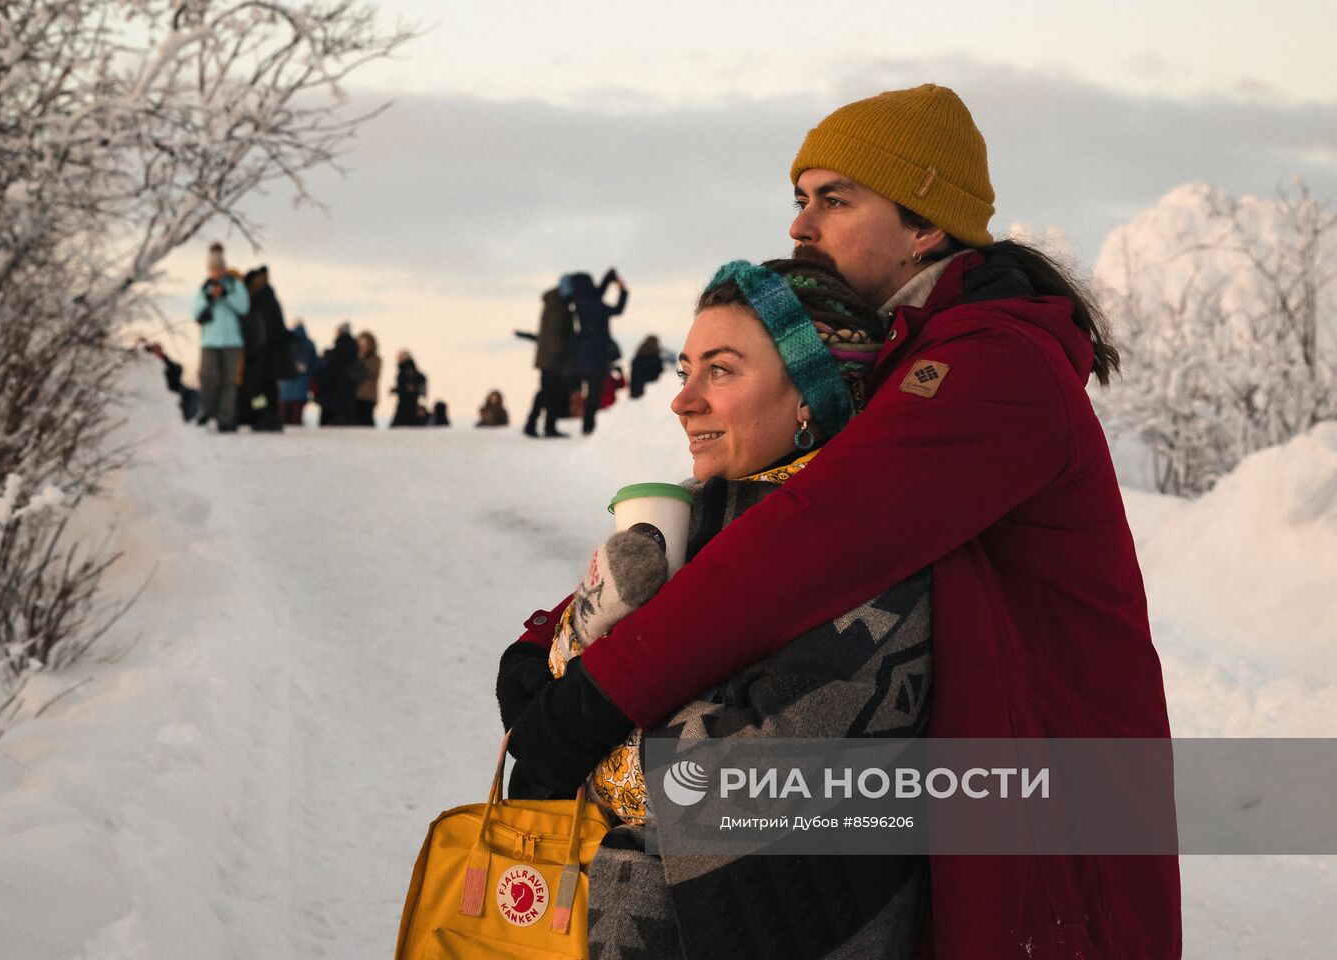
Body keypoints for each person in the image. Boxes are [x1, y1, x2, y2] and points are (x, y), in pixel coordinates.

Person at [501, 84, 1179, 958]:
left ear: (925, 226)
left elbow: (808, 540)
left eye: (835, 198)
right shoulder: (900, 358)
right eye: (799, 197)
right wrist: (553, 641)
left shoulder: (994, 367)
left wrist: (595, 700)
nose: (800, 226)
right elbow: (747, 517)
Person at [503, 258, 928, 959]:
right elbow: (531, 685)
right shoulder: (687, 516)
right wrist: (588, 626)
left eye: (722, 371)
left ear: (809, 398)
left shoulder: (867, 547)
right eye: (684, 370)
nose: (683, 400)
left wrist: (577, 719)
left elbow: (737, 781)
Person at [191, 242, 249, 433]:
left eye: (219, 268)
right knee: (207, 376)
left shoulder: (235, 284)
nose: (216, 272)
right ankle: (206, 412)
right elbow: (195, 312)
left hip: (232, 341)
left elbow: (244, 307)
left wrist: (225, 295)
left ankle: (226, 418)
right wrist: (209, 299)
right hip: (209, 341)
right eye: (213, 269)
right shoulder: (204, 288)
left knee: (228, 381)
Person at [565, 268, 628, 435]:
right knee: (595, 392)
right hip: (597, 354)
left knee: (592, 390)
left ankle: (588, 425)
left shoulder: (580, 301)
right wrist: (623, 290)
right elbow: (617, 309)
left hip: (585, 353)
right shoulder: (593, 303)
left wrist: (609, 277)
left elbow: (598, 291)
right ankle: (588, 427)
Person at [517, 283, 578, 438]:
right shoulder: (560, 307)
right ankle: (546, 426)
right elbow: (556, 334)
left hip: (547, 358)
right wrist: (560, 357)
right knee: (552, 393)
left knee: (546, 392)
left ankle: (532, 424)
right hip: (553, 360)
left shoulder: (552, 304)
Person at [240, 265, 290, 432]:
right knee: (268, 387)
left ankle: (262, 415)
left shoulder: (261, 299)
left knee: (257, 389)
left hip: (261, 354)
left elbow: (262, 329)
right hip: (270, 354)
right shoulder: (269, 297)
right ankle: (269, 416)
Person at [141, 341, 199, 421]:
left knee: (195, 393)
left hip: (176, 386)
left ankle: (191, 418)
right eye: (156, 349)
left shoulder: (165, 360)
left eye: (160, 349)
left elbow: (177, 368)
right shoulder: (149, 362)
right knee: (191, 395)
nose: (159, 351)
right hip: (166, 388)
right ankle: (187, 418)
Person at [316, 323, 360, 427]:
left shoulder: (340, 347)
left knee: (336, 416)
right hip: (347, 388)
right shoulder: (353, 348)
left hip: (336, 387)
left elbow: (333, 368)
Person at [279, 321, 319, 426]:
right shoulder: (309, 344)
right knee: (297, 412)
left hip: (285, 384)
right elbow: (314, 364)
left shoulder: (286, 341)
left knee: (284, 411)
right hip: (302, 383)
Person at [390, 349, 428, 427]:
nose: (398, 359)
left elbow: (409, 388)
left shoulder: (407, 371)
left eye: (400, 357)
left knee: (400, 426)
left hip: (407, 405)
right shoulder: (407, 370)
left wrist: (397, 389)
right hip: (409, 404)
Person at [354, 331, 381, 427]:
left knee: (367, 420)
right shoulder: (358, 359)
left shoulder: (375, 359)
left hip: (368, 397)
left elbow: (373, 374)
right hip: (357, 395)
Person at [628, 335, 664, 399]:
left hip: (637, 387)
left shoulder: (639, 355)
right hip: (652, 387)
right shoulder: (655, 356)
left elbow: (633, 372)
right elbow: (660, 370)